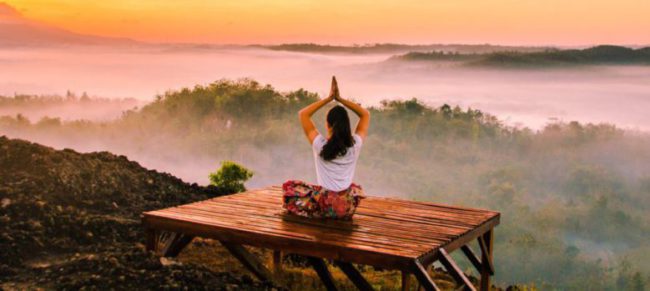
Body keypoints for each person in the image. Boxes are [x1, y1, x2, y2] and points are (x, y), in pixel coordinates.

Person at [283, 76, 370, 219]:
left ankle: (318, 212)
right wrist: (340, 99)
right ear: (347, 126)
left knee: (289, 187)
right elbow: (365, 114)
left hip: (325, 206)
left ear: (327, 125)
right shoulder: (355, 145)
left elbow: (303, 114)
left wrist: (329, 98)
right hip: (346, 208)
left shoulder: (320, 145)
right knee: (353, 187)